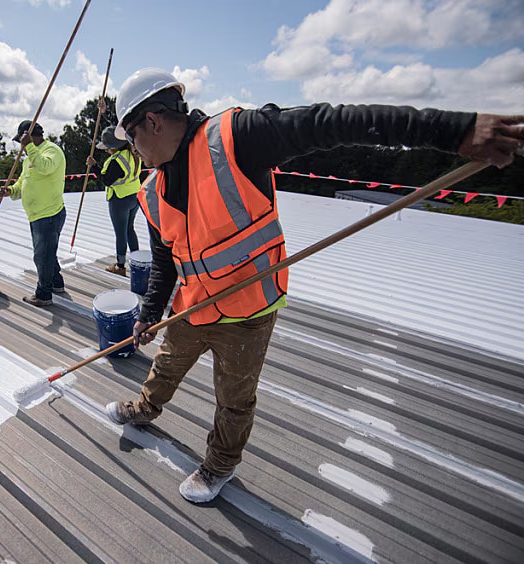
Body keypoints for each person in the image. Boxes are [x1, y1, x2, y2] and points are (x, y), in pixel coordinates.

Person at [104, 67, 524, 504]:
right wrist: (150, 314)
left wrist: (458, 132)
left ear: (152, 121)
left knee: (234, 398)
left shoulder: (237, 137)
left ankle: (219, 466)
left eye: (132, 137)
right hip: (193, 308)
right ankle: (144, 410)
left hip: (248, 312)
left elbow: (341, 121)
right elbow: (165, 262)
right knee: (166, 365)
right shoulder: (152, 191)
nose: (133, 149)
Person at [0, 120, 67, 307]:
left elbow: (45, 167)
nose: (20, 145)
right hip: (37, 215)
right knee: (47, 253)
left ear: (28, 136)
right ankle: (56, 283)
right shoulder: (29, 156)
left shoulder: (52, 151)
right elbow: (22, 183)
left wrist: (29, 145)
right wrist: (11, 191)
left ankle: (44, 294)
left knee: (42, 255)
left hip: (49, 214)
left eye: (21, 141)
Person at [86, 120, 142, 276]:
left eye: (107, 148)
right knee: (130, 229)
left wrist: (94, 166)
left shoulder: (117, 160)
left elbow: (106, 180)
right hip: (134, 196)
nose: (106, 151)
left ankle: (120, 266)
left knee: (121, 233)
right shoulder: (132, 152)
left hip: (120, 200)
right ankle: (138, 262)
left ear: (114, 147)